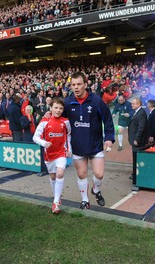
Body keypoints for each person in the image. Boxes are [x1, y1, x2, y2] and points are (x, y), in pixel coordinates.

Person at [63, 72, 115, 209]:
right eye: (73, 85)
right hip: (78, 146)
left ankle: (96, 190)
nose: (76, 87)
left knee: (99, 174)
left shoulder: (96, 101)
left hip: (95, 145)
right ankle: (85, 200)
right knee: (82, 174)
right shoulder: (67, 103)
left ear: (85, 85)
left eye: (79, 84)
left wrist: (109, 138)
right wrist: (48, 115)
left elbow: (108, 120)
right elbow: (58, 118)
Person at [33, 97, 71, 214]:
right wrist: (44, 143)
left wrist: (69, 149)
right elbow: (35, 137)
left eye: (60, 108)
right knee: (53, 177)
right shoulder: (44, 121)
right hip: (49, 154)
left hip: (61, 152)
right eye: (56, 108)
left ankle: (55, 203)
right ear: (51, 108)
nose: (58, 110)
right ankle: (57, 196)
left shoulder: (66, 121)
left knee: (60, 173)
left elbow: (69, 135)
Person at [128, 98, 147, 183]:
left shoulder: (141, 113)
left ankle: (137, 175)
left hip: (137, 140)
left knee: (136, 157)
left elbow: (141, 128)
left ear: (138, 104)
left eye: (133, 104)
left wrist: (136, 139)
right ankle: (135, 173)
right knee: (135, 156)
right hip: (134, 138)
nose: (131, 105)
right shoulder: (138, 112)